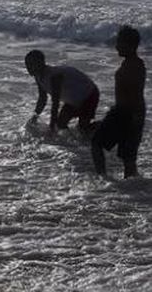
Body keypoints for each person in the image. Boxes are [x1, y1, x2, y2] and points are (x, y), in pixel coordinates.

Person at [92, 26, 146, 178]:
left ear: (129, 45)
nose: (116, 46)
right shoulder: (133, 63)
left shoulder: (134, 66)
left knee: (97, 143)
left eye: (119, 42)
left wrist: (135, 117)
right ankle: (135, 190)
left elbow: (135, 93)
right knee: (128, 157)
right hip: (128, 112)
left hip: (126, 113)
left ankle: (102, 179)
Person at [25, 50, 99, 132]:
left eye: (31, 64)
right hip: (73, 99)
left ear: (41, 63)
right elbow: (42, 99)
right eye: (27, 65)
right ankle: (71, 141)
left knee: (83, 129)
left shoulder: (54, 76)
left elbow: (55, 103)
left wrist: (51, 127)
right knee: (60, 124)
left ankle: (104, 125)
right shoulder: (38, 76)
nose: (28, 68)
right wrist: (35, 116)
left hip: (89, 95)